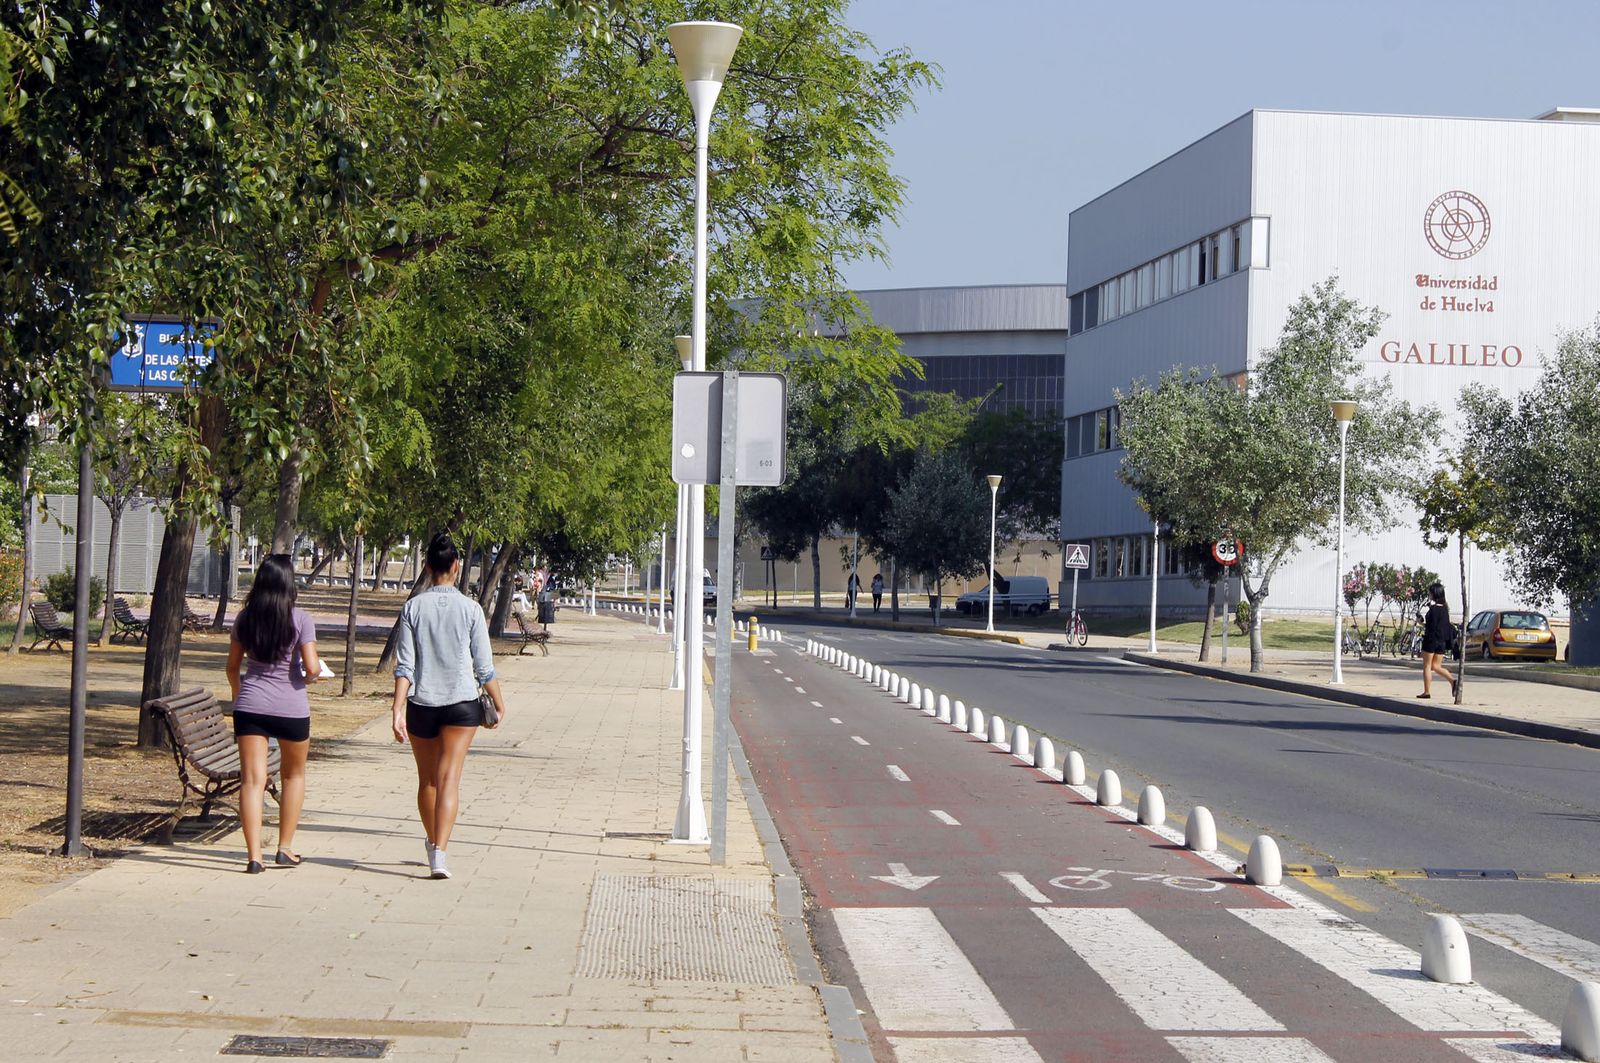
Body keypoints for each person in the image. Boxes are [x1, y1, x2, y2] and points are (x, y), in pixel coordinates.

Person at [391, 533, 508, 879]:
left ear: (427, 567)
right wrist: (499, 704)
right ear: (457, 567)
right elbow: (484, 668)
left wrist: (397, 709)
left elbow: (405, 667)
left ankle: (432, 840)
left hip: (421, 705)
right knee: (449, 780)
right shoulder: (471, 610)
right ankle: (440, 853)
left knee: (427, 780)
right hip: (461, 705)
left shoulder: (412, 608)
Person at [226, 554, 323, 874]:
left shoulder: (245, 618)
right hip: (291, 708)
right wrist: (308, 676)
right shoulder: (301, 619)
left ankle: (254, 857)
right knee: (293, 775)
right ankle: (285, 848)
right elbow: (311, 668)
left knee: (252, 782)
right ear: (288, 583)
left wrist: (239, 694)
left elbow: (232, 667)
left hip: (251, 706)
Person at [1419, 581, 1458, 700]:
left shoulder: (1433, 609)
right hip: (1441, 641)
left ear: (1434, 594)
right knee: (1436, 666)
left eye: (1430, 593)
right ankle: (1452, 681)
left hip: (1431, 640)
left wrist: (1421, 622)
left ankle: (1426, 691)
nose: (1429, 595)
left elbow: (1430, 626)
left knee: (1427, 666)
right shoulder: (1445, 609)